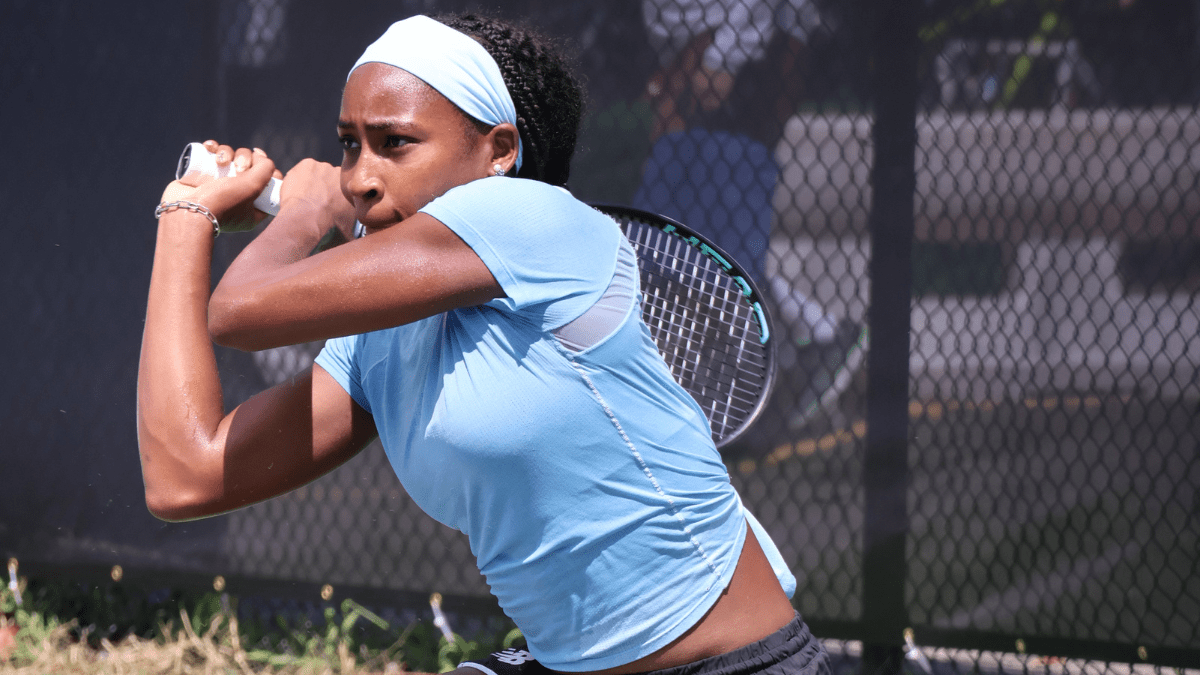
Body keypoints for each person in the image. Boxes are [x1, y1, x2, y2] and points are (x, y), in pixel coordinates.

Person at [138, 12, 830, 675]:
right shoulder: (377, 338)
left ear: (499, 152)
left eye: (395, 143)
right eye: (349, 144)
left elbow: (239, 311)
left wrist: (301, 216)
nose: (359, 177)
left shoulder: (530, 218)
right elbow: (186, 474)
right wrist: (181, 218)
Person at [637, 0, 865, 436]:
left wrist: (719, 62)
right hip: (708, 70)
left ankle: (809, 339)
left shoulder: (748, 57)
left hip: (739, 76)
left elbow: (754, 26)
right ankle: (815, 332)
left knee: (709, 243)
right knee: (682, 238)